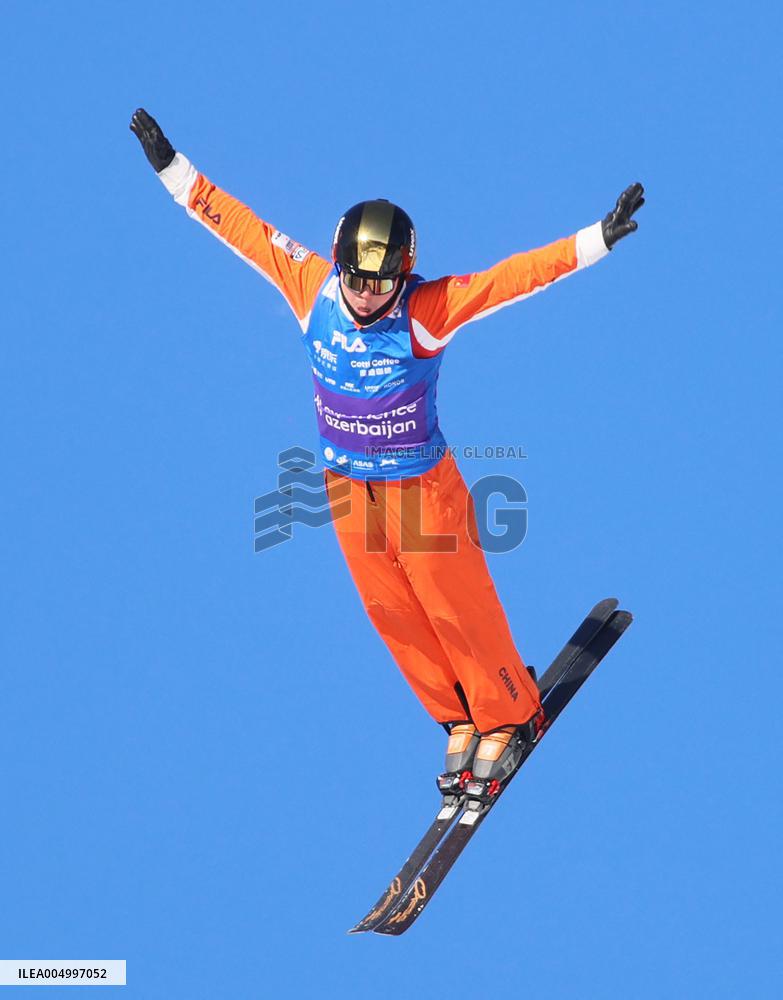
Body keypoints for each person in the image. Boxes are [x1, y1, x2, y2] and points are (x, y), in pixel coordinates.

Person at [130, 109, 644, 799]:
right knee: (390, 610)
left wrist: (595, 240)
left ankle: (508, 713)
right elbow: (238, 225)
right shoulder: (310, 287)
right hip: (344, 485)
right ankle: (458, 717)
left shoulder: (427, 310)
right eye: (358, 280)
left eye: (382, 283)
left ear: (404, 272)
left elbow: (514, 277)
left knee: (451, 601)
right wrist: (172, 169)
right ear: (340, 262)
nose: (368, 294)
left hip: (419, 485)